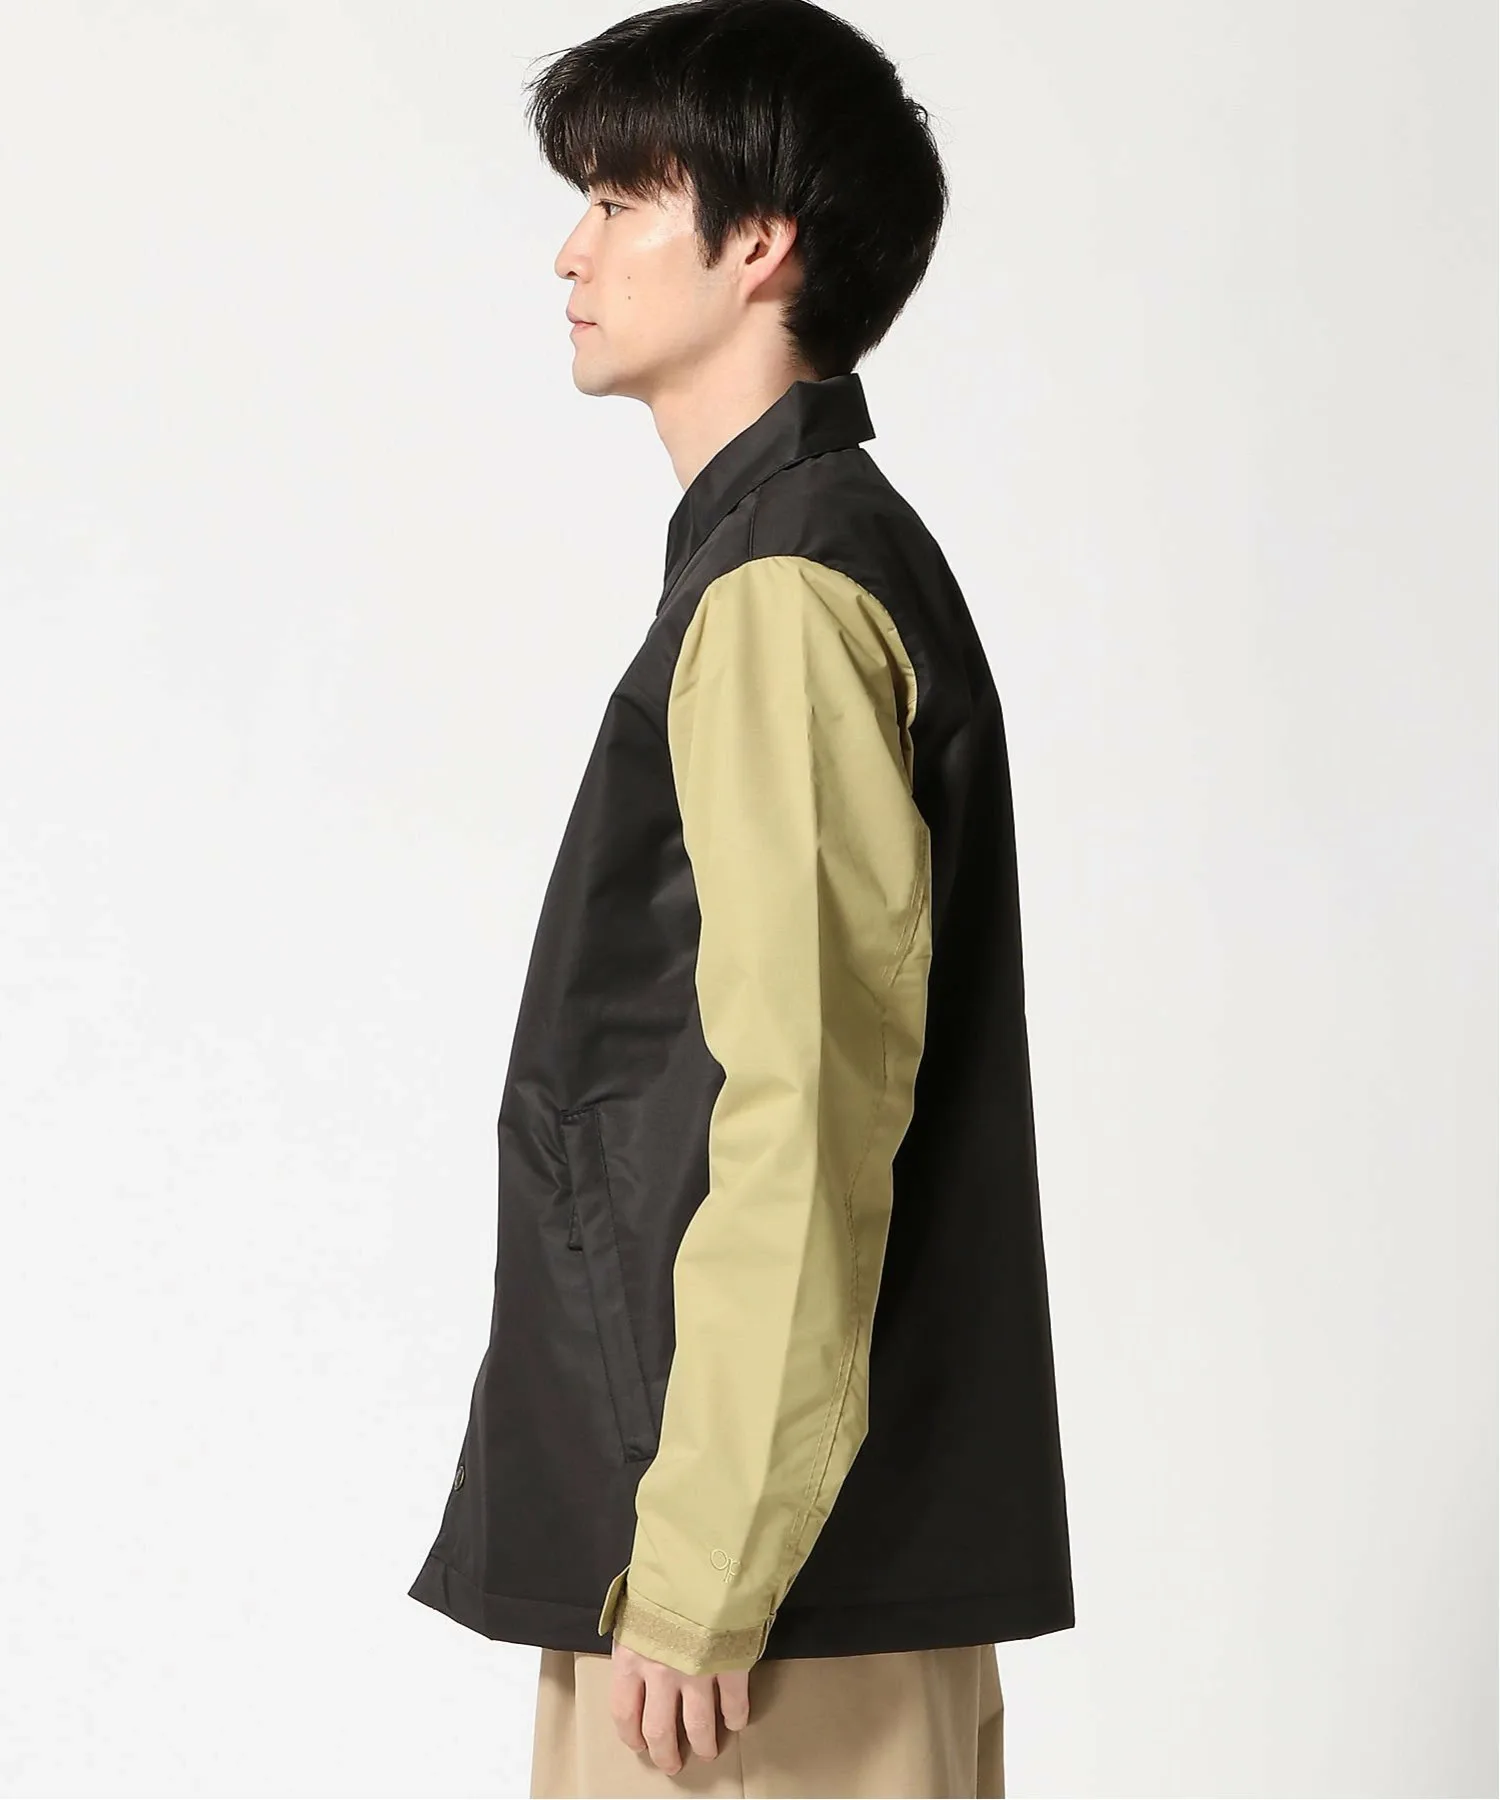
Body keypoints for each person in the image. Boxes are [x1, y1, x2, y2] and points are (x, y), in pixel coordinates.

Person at [405, 2, 1075, 1793]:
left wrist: (704, 1567)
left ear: (760, 239)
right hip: (756, 1570)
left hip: (746, 1618)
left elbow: (810, 1105)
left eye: (623, 199)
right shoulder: (781, 561)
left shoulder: (782, 593)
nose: (571, 249)